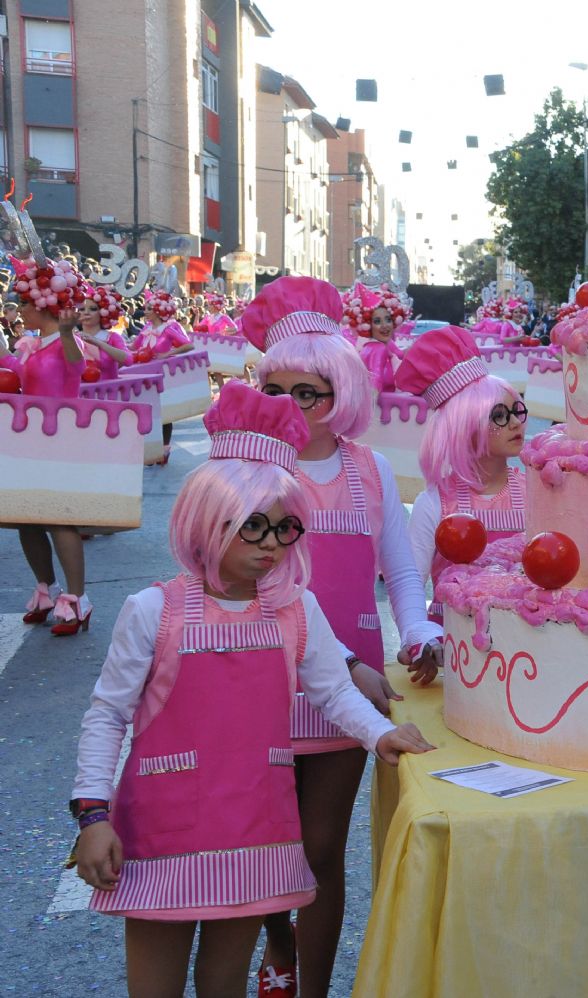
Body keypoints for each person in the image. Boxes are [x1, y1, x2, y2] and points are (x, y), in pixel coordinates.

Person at [68, 382, 434, 998]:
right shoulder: (151, 610)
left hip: (255, 831)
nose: (271, 544)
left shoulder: (296, 610)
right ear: (210, 520)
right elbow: (107, 716)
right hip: (163, 834)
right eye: (254, 527)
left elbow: (332, 691)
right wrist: (92, 815)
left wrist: (379, 734)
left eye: (286, 529)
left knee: (224, 981)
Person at [242, 277, 443, 997]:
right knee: (266, 846)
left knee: (322, 848)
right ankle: (278, 944)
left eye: (313, 389)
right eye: (281, 389)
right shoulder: (250, 468)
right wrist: (354, 660)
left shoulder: (374, 470)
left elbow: (400, 570)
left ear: (344, 390)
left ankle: (311, 986)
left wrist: (417, 631)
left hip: (342, 697)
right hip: (258, 678)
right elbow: (252, 580)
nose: (297, 405)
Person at [398, 326, 528, 621]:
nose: (515, 424)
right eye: (498, 416)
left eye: (516, 411)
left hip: (523, 651)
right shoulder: (434, 504)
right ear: (464, 426)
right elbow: (410, 584)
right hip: (452, 651)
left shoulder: (536, 492)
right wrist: (421, 637)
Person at [7, 255, 92, 636]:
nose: (20, 309)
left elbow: (76, 367)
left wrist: (69, 331)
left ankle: (78, 599)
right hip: (28, 439)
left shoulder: (65, 345)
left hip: (61, 439)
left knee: (59, 517)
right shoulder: (32, 344)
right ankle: (46, 588)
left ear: (42, 305)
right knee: (25, 518)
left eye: (24, 303)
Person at [134, 290, 195, 461]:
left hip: (162, 375)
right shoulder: (145, 329)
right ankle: (150, 449)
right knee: (147, 411)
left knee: (163, 412)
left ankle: (164, 448)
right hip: (144, 374)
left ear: (158, 311)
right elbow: (133, 347)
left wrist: (168, 354)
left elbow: (189, 345)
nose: (144, 311)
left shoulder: (169, 329)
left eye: (148, 308)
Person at [343, 283, 410, 393]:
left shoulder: (385, 344)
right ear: (368, 324)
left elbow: (400, 354)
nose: (385, 325)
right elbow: (374, 384)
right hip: (381, 408)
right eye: (377, 321)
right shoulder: (378, 348)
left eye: (388, 319)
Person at [76, 284, 135, 381]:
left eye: (93, 309)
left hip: (109, 393)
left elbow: (128, 360)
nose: (86, 313)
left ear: (104, 312)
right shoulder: (73, 338)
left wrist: (98, 342)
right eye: (82, 309)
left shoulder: (112, 337)